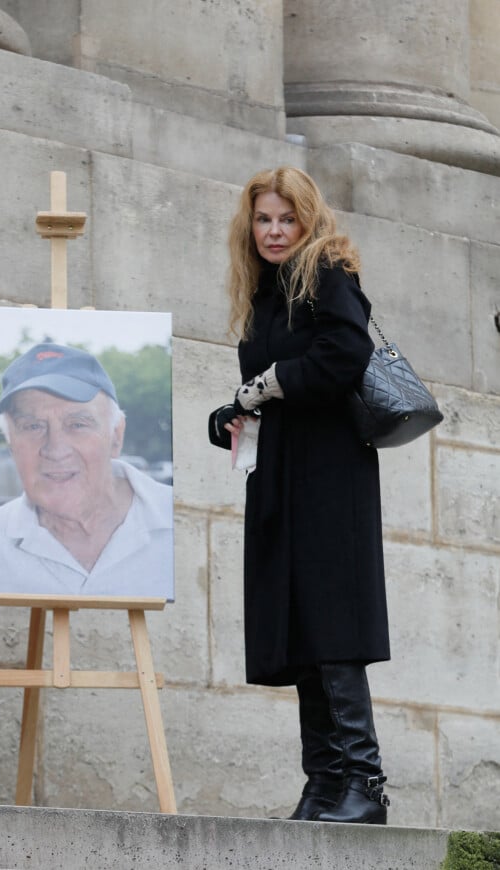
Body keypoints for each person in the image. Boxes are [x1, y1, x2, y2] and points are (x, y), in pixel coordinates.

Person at [209, 167, 391, 824]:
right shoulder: (264, 296)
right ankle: (324, 783)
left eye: (287, 218)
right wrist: (232, 411)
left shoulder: (328, 276)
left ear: (308, 220)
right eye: (264, 219)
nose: (275, 231)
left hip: (329, 476)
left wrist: (274, 381)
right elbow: (263, 386)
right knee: (301, 629)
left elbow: (345, 355)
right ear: (249, 226)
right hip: (281, 475)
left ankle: (364, 786)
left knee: (333, 624)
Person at [0, 343, 173, 599]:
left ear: (116, 436)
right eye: (33, 426)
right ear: (11, 443)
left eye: (78, 424)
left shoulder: (177, 521)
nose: (55, 450)